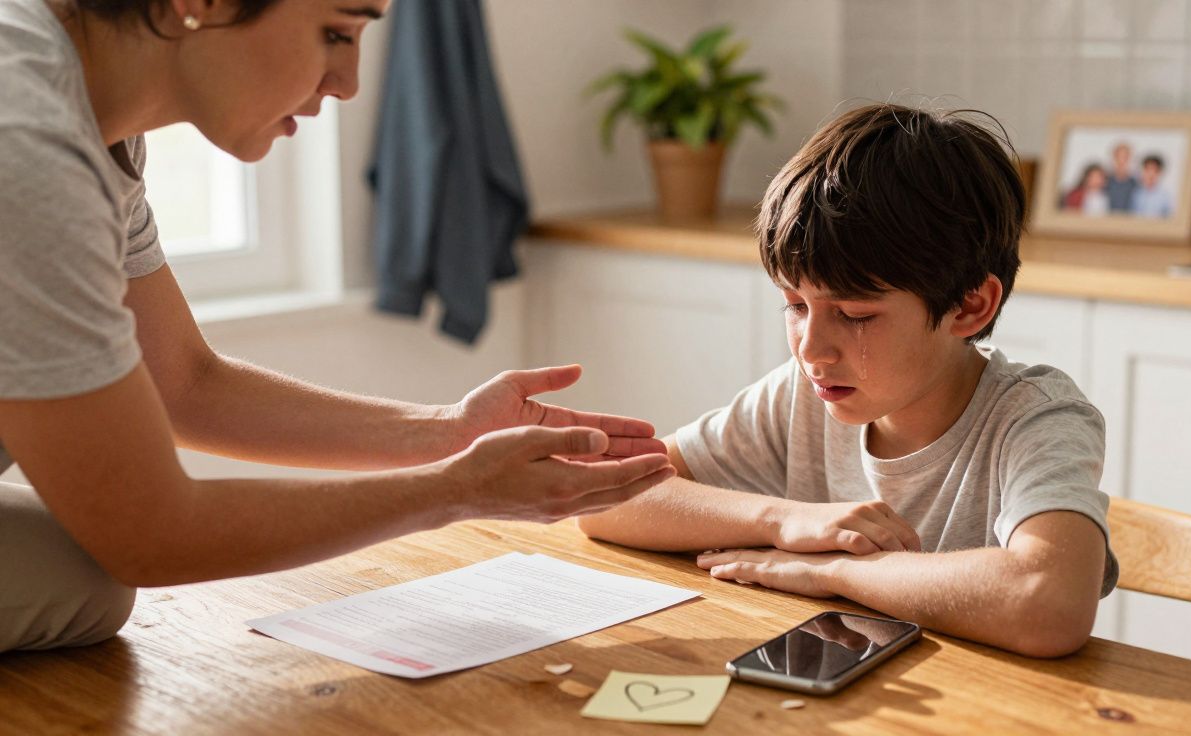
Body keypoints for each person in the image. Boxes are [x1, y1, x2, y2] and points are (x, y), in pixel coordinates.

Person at [0, 0, 674, 653]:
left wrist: (447, 433)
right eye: (335, 31)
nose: (348, 83)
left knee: (84, 580)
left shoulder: (95, 123)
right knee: (94, 576)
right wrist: (459, 490)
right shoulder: (27, 144)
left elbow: (181, 380)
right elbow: (149, 534)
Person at [579, 104, 1119, 658]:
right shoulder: (801, 395)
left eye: (855, 315)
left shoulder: (1037, 418)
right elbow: (601, 499)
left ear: (969, 306)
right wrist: (785, 521)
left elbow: (1049, 604)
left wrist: (835, 570)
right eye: (794, 305)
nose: (810, 349)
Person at [1105, 142, 1137, 212]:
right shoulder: (1105, 181)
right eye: (1118, 157)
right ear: (1114, 158)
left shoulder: (1135, 183)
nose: (1121, 161)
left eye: (1125, 158)